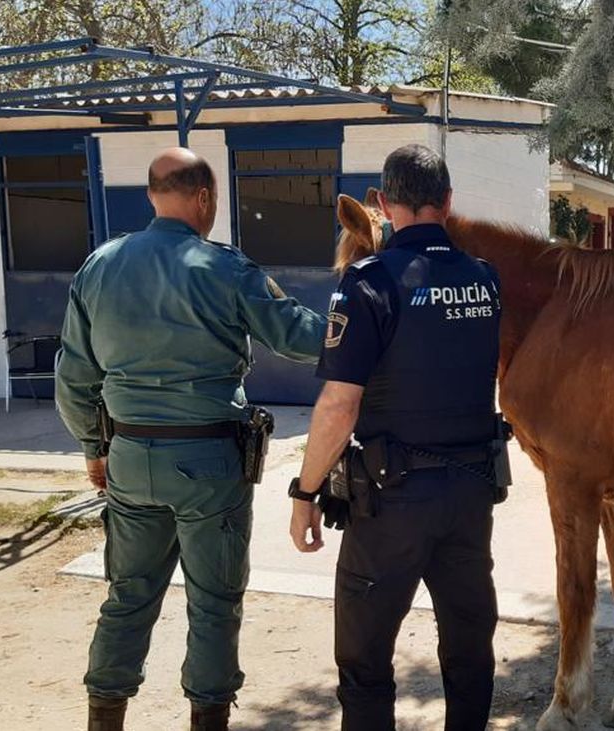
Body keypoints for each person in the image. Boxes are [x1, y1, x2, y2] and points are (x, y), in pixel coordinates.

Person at [55, 147, 326, 731]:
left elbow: (74, 376)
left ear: (152, 194)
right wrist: (363, 320)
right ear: (204, 198)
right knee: (213, 602)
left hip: (127, 456)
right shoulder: (225, 268)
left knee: (128, 596)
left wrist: (92, 448)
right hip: (208, 461)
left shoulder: (99, 266)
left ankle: (104, 717)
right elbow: (300, 336)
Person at [288, 144, 507, 730]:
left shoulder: (369, 283)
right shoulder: (485, 281)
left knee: (364, 660)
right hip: (470, 495)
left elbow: (339, 404)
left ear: (384, 203)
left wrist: (305, 492)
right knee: (468, 650)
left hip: (391, 504)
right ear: (448, 202)